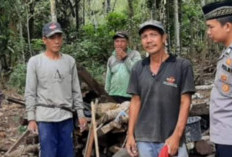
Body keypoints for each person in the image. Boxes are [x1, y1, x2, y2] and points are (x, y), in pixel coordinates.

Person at [126, 20, 195, 157]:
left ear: (164, 38)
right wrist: (130, 135)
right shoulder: (138, 68)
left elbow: (185, 102)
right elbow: (135, 102)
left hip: (172, 139)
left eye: (153, 35)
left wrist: (177, 135)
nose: (149, 40)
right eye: (144, 36)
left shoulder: (181, 66)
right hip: (144, 139)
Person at [25, 22, 87, 157]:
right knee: (48, 153)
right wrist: (31, 118)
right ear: (44, 40)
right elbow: (30, 92)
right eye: (52, 38)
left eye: (59, 37)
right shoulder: (35, 62)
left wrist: (81, 115)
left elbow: (76, 90)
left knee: (67, 153)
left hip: (66, 118)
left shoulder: (69, 61)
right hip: (45, 119)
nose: (57, 41)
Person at [202, 1, 232, 157]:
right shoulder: (227, 53)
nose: (208, 32)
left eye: (211, 27)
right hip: (224, 135)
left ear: (227, 26)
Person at [105, 31, 141, 103]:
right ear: (114, 43)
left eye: (122, 41)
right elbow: (108, 78)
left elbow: (137, 72)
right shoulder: (111, 58)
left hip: (130, 96)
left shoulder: (135, 54)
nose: (119, 44)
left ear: (127, 42)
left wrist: (125, 58)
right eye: (117, 41)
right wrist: (106, 94)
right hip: (113, 94)